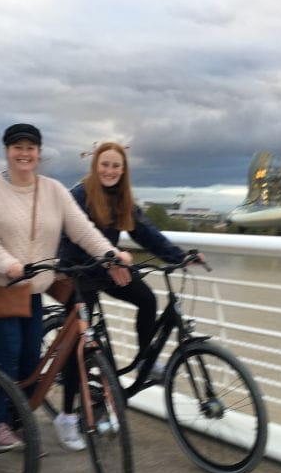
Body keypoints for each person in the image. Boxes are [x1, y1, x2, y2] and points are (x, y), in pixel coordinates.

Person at [0, 124, 133, 450]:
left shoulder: (53, 190)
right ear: (7, 151)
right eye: (17, 147)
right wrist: (8, 264)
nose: (24, 153)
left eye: (31, 147)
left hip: (31, 289)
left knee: (33, 359)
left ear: (39, 153)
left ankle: (18, 421)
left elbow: (82, 230)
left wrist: (112, 255)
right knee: (11, 352)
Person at [58, 142, 202, 450]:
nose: (110, 171)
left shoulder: (122, 199)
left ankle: (145, 361)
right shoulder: (80, 195)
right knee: (78, 347)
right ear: (95, 166)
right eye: (105, 165)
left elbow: (146, 232)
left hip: (108, 267)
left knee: (147, 300)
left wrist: (178, 256)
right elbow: (67, 240)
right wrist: (105, 261)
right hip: (78, 271)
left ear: (123, 171)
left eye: (116, 166)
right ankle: (67, 417)